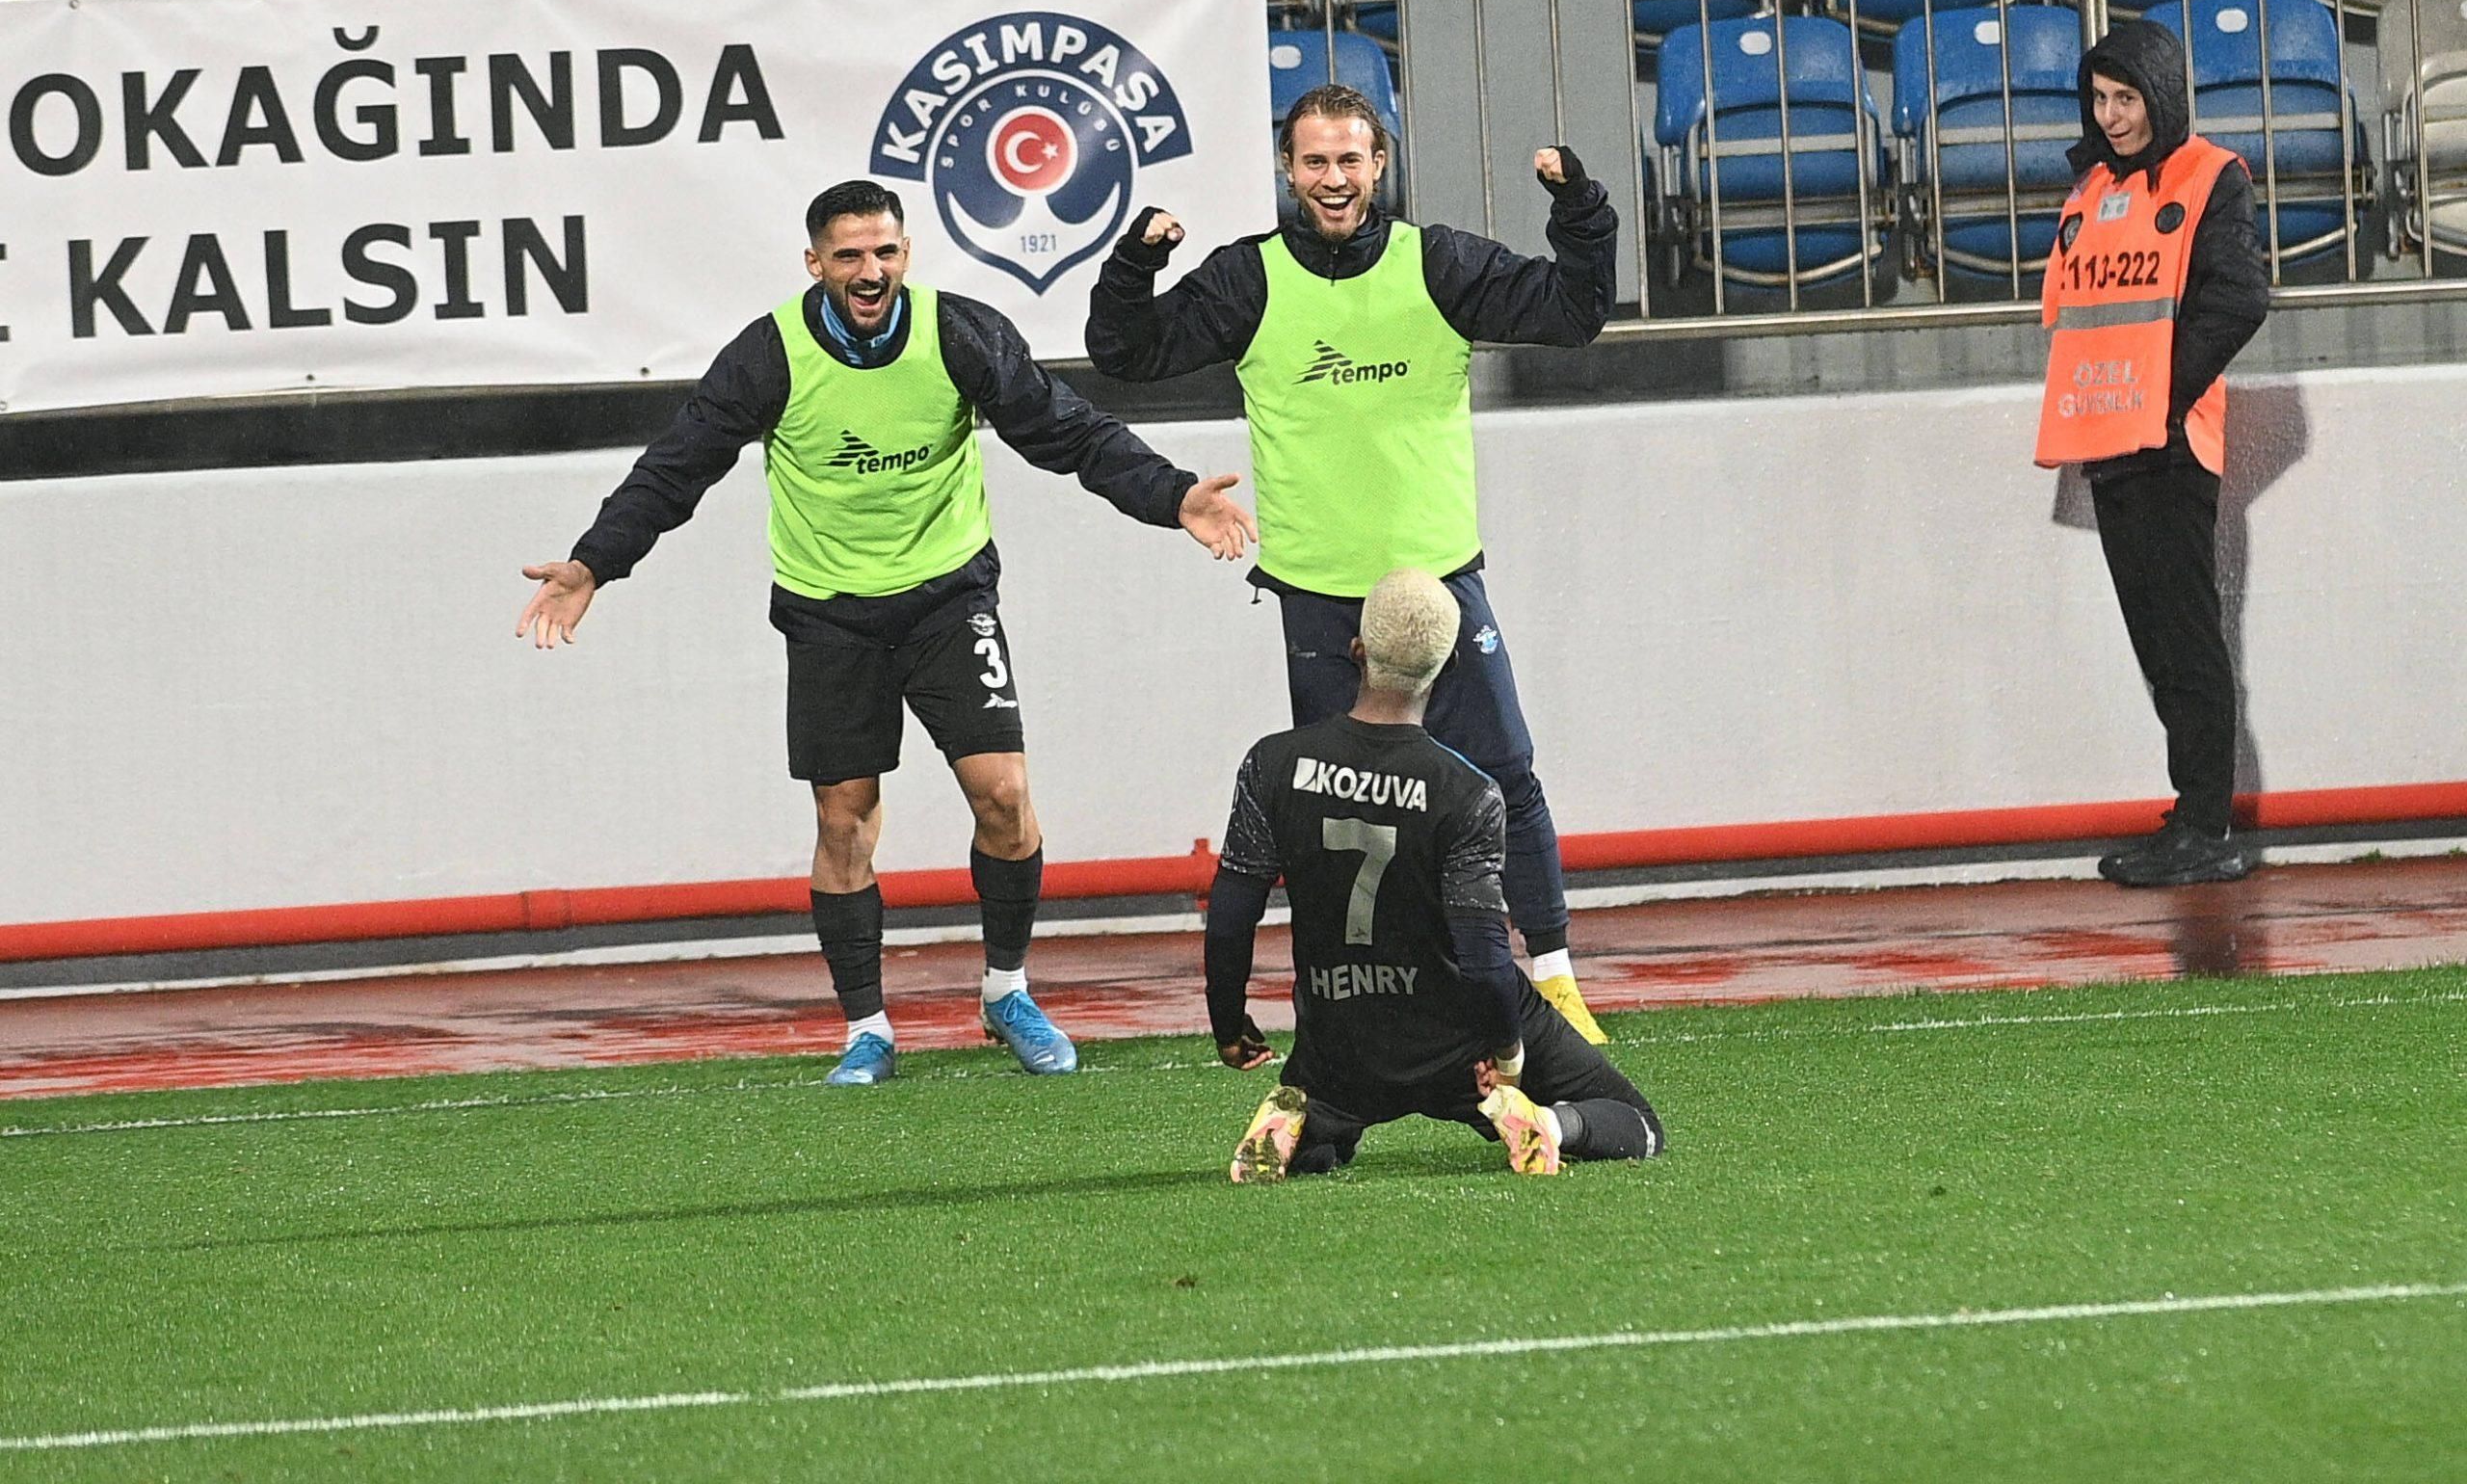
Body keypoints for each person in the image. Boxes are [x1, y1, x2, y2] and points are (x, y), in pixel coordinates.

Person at [517, 179, 1256, 1085]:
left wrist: (1171, 494)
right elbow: (674, 471)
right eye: (851, 256)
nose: (871, 273)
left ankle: (1007, 992)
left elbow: (1069, 432)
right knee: (844, 820)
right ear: (815, 264)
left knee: (1005, 797)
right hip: (830, 616)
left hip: (949, 599)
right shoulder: (769, 356)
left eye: (887, 252)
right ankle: (868, 1028)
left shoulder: (960, 334)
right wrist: (593, 563)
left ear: (907, 253)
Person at [1086, 82, 1621, 1044]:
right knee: (1339, 809)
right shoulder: (1247, 280)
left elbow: (1573, 311)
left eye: (1350, 159)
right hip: (1320, 596)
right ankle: (1367, 997)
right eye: (1315, 161)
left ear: (1380, 166)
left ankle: (1556, 975)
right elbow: (1124, 350)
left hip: (1437, 587)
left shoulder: (1438, 262)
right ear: (1289, 172)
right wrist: (1134, 262)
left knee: (1503, 773)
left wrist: (1578, 211)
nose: (1333, 178)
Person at [1205, 569, 1667, 1182]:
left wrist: (1228, 1025)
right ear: (1448, 667)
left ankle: (1306, 1121)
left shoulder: (1273, 763)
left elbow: (1233, 915)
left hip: (1341, 1041)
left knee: (1327, 1103)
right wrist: (1507, 1057)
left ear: (1357, 652)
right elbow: (1484, 958)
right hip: (1458, 1044)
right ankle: (1549, 1126)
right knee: (1638, 1126)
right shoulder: (1468, 792)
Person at [2035, 19, 2269, 888]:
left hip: (2169, 443)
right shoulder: (2089, 189)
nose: (2112, 115)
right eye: (2100, 100)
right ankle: (2191, 815)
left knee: (2188, 635)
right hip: (2110, 445)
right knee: (2159, 642)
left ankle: (2207, 825)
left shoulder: (2213, 178)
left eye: (2126, 98)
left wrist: (2158, 397)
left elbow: (2243, 297)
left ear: (2162, 96)